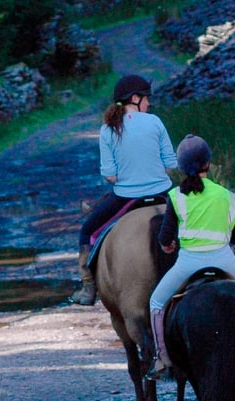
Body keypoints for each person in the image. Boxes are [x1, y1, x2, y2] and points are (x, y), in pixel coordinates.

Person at [146, 134, 235, 380]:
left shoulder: (176, 197)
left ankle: (162, 359)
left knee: (156, 303)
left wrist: (168, 245)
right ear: (208, 163)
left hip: (187, 263)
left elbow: (165, 238)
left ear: (181, 167)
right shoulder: (227, 196)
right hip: (223, 259)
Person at [70, 74, 178, 305]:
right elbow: (171, 164)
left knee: (87, 230)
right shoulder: (155, 122)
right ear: (136, 98)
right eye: (146, 98)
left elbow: (110, 175)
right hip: (163, 193)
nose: (149, 104)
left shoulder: (108, 129)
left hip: (126, 197)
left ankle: (88, 288)